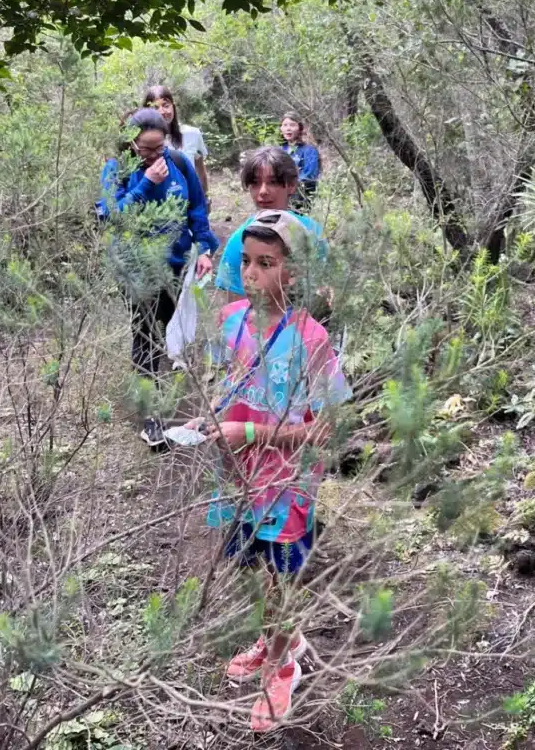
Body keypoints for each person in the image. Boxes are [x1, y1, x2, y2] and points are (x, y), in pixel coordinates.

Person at [184, 210, 350, 731]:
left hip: (285, 484)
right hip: (238, 476)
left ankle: (283, 667)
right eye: (247, 263)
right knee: (250, 566)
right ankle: (279, 637)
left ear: (293, 273)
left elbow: (324, 430)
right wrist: (211, 416)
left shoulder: (312, 339)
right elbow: (231, 386)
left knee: (281, 576)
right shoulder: (231, 321)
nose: (252, 273)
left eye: (267, 263)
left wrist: (253, 434)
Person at [97, 108, 219, 440]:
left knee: (164, 331)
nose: (153, 155)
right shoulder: (117, 170)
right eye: (145, 150)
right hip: (135, 267)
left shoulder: (178, 163)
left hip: (176, 265)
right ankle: (149, 415)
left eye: (159, 147)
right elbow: (112, 217)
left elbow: (196, 206)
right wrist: (147, 184)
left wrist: (205, 248)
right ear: (130, 143)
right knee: (146, 335)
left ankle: (155, 391)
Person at [216, 147, 327, 305]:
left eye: (273, 182)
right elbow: (235, 311)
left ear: (291, 185)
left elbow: (326, 292)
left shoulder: (312, 233)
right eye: (255, 183)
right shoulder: (239, 243)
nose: (263, 191)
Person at [143, 84, 210, 196]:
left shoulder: (192, 134)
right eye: (155, 108)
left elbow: (200, 168)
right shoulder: (142, 143)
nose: (162, 111)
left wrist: (205, 197)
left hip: (189, 202)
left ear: (173, 106)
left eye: (166, 105)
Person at [280, 113, 320, 210]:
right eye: (285, 125)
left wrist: (290, 185)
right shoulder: (279, 150)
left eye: (292, 125)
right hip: (281, 195)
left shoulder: (309, 150)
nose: (288, 128)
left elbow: (310, 175)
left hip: (302, 196)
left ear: (300, 128)